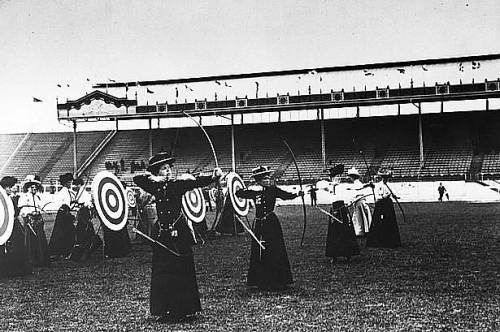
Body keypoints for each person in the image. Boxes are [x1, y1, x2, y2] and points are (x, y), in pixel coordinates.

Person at [133, 152, 222, 322]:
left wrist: (213, 176)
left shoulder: (177, 185)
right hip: (163, 234)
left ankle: (184, 309)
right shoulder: (154, 186)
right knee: (163, 271)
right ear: (157, 172)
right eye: (163, 169)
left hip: (179, 233)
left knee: (181, 269)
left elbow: (197, 182)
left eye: (169, 168)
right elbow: (137, 178)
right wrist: (153, 178)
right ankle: (165, 309)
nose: (168, 172)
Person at [235, 166, 304, 291]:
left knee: (275, 249)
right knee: (260, 250)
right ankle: (261, 280)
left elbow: (285, 195)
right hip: (260, 224)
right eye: (264, 179)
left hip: (272, 224)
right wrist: (240, 187)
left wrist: (298, 194)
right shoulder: (254, 192)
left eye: (268, 178)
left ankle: (279, 279)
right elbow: (239, 193)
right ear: (259, 180)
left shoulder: (273, 190)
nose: (267, 180)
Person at [322, 166, 359, 263]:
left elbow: (352, 191)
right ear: (332, 178)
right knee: (334, 231)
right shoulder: (330, 186)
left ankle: (348, 254)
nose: (339, 178)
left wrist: (350, 201)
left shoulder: (342, 186)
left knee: (346, 230)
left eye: (339, 176)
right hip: (334, 209)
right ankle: (334, 255)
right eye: (336, 177)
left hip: (342, 208)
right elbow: (321, 186)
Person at [0, 176, 32, 278]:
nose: (12, 189)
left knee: (19, 245)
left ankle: (18, 268)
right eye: (10, 187)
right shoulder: (3, 199)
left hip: (15, 224)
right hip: (7, 225)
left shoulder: (10, 198)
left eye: (12, 187)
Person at [18, 175, 49, 267]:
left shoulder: (37, 197)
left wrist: (38, 212)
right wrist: (29, 214)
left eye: (35, 187)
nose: (34, 188)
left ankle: (41, 259)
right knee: (30, 239)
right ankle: (32, 260)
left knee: (40, 238)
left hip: (38, 220)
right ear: (28, 188)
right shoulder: (24, 197)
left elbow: (40, 207)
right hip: (29, 220)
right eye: (32, 187)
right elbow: (22, 210)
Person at [367, 170, 402, 248]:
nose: (386, 179)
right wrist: (385, 196)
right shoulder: (378, 185)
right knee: (379, 221)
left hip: (388, 205)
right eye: (384, 177)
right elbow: (378, 198)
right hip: (381, 205)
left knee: (389, 221)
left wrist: (395, 196)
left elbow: (392, 194)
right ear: (382, 178)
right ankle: (379, 241)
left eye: (387, 178)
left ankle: (390, 241)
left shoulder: (388, 185)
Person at [70, 178, 102, 261]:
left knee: (84, 230)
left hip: (84, 213)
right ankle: (83, 249)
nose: (75, 186)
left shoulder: (84, 193)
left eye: (77, 184)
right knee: (83, 230)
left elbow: (88, 204)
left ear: (80, 184)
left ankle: (86, 250)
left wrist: (79, 204)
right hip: (81, 213)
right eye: (75, 185)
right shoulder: (79, 192)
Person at [48, 173, 76, 259]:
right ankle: (61, 251)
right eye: (69, 182)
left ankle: (64, 251)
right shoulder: (63, 192)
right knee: (63, 232)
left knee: (66, 232)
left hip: (65, 212)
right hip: (63, 213)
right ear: (65, 183)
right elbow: (61, 203)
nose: (70, 184)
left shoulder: (67, 191)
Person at [346, 167, 372, 240]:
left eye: (350, 177)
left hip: (359, 202)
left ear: (353, 177)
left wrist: (350, 202)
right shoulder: (357, 183)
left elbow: (356, 193)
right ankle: (363, 230)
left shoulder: (357, 183)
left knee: (358, 217)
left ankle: (360, 231)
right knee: (361, 216)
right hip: (359, 202)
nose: (350, 178)